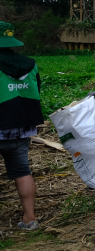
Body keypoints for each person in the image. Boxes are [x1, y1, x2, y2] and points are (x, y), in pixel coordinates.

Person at [0, 23, 42, 231]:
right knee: (22, 171)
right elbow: (38, 89)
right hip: (21, 127)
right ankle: (30, 219)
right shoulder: (30, 64)